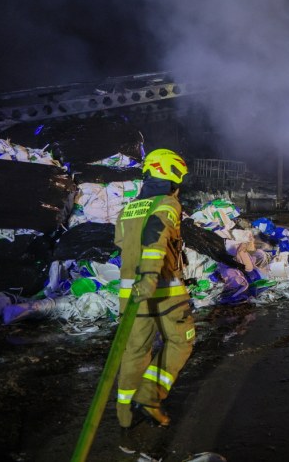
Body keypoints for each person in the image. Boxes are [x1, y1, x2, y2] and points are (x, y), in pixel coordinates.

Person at [114, 148, 195, 429]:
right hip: (165, 291)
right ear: (169, 173)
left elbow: (125, 246)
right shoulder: (167, 205)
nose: (178, 186)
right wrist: (150, 276)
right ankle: (149, 395)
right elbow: (155, 238)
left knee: (135, 350)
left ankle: (124, 411)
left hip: (130, 295)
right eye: (178, 179)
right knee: (181, 341)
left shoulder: (126, 210)